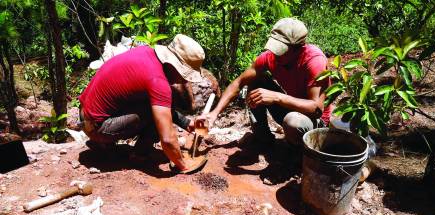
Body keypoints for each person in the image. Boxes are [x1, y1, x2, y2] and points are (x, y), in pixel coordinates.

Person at [79, 34, 207, 173]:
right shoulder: (157, 81)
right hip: (97, 126)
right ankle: (138, 155)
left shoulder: (146, 52)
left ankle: (110, 145)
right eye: (185, 75)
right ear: (175, 66)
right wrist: (183, 164)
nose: (184, 80)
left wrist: (187, 123)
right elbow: (167, 139)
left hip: (86, 115)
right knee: (157, 117)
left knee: (155, 107)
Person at [200, 18, 332, 149]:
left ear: (298, 48)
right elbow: (239, 82)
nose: (275, 55)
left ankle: (299, 155)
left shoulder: (314, 61)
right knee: (256, 81)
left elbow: (317, 110)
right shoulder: (271, 57)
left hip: (314, 123)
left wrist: (277, 97)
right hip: (293, 110)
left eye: (282, 50)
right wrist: (214, 113)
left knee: (293, 122)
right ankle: (263, 139)